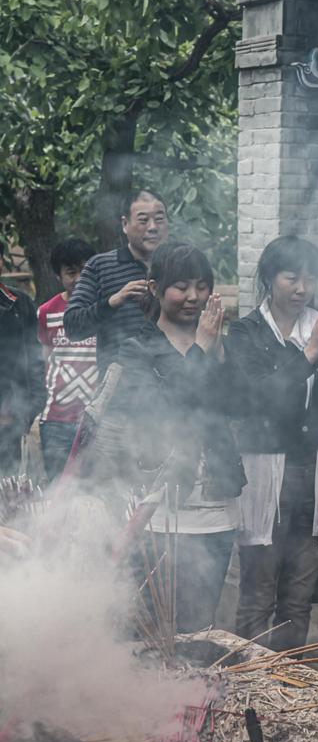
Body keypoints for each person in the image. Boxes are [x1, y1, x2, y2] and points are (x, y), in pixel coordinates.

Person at [95, 240, 245, 632]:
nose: (193, 296)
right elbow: (160, 410)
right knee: (153, 629)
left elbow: (240, 406)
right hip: (158, 511)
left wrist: (218, 356)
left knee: (199, 628)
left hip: (214, 507)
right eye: (181, 285)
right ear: (155, 288)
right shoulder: (136, 348)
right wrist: (200, 349)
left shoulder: (217, 345)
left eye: (201, 285)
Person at [225, 235, 318, 652]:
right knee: (259, 591)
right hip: (266, 468)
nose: (302, 288)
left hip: (313, 467)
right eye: (291, 277)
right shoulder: (245, 332)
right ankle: (247, 684)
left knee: (299, 596)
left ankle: (287, 683)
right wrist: (313, 350)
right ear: (268, 277)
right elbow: (262, 398)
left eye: (310, 279)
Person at [64, 188, 169, 377]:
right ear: (125, 224)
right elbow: (72, 327)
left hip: (176, 386)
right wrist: (113, 301)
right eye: (143, 220)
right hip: (120, 392)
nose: (153, 227)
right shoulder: (100, 266)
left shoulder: (179, 264)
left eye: (159, 219)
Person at [37, 239, 98, 481]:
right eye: (71, 272)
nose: (79, 278)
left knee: (96, 493)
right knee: (57, 492)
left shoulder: (104, 309)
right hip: (56, 420)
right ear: (58, 276)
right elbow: (43, 361)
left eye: (85, 270)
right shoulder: (46, 312)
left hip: (97, 419)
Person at [0, 240, 46, 475]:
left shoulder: (20, 304)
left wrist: (36, 402)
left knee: (10, 484)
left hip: (11, 412)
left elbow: (35, 356)